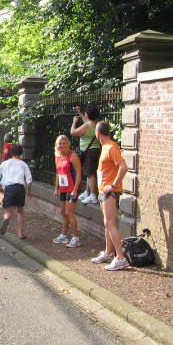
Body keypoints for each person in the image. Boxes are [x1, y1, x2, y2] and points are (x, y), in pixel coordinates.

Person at [90, 121, 130, 271]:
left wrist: (113, 185)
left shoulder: (111, 147)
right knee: (107, 223)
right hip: (103, 191)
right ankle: (108, 252)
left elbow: (123, 167)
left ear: (98, 133)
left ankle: (120, 258)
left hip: (109, 192)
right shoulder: (106, 147)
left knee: (110, 223)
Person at [0, 144, 32, 239]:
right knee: (20, 211)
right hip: (20, 188)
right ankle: (20, 234)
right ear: (21, 153)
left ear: (11, 152)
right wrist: (29, 192)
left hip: (9, 189)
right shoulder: (23, 164)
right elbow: (29, 180)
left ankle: (6, 218)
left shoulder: (5, 163)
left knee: (8, 212)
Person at [52, 135, 82, 247]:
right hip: (63, 188)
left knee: (69, 213)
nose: (62, 145)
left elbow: (79, 173)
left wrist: (75, 189)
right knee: (63, 213)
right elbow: (58, 173)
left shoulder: (72, 155)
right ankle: (64, 235)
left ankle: (76, 238)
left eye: (64, 143)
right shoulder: (57, 156)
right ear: (57, 145)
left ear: (68, 144)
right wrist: (56, 188)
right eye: (60, 143)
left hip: (72, 188)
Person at [70, 104, 101, 204]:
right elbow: (87, 121)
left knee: (90, 174)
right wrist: (80, 113)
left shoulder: (87, 125)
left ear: (87, 114)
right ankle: (87, 192)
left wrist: (74, 122)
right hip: (95, 149)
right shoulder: (96, 124)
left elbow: (73, 132)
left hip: (89, 151)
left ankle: (92, 195)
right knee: (89, 172)